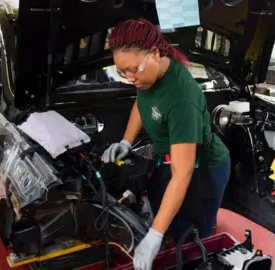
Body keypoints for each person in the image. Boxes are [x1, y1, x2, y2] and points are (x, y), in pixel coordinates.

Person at [102, 18, 231, 270]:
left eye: (133, 69)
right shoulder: (147, 75)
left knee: (191, 240)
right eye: (122, 71)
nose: (129, 78)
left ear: (153, 53)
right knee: (171, 222)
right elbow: (141, 104)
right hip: (171, 163)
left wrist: (154, 235)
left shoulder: (181, 99)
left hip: (204, 171)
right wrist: (126, 142)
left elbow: (182, 174)